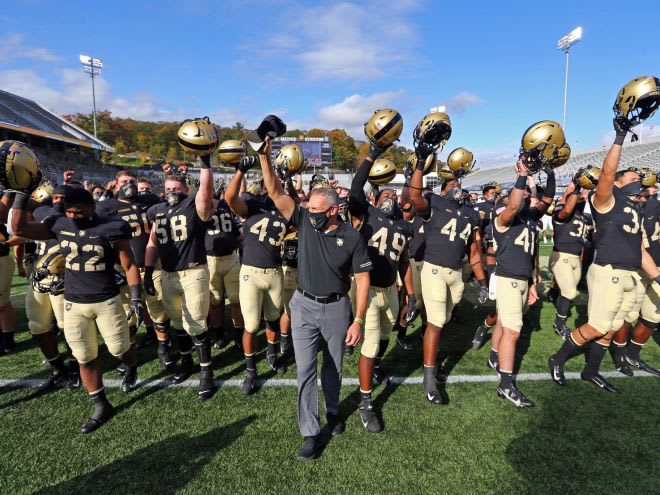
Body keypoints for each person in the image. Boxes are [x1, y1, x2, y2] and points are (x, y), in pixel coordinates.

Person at [258, 136, 371, 461]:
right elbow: (276, 192)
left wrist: (358, 319)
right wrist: (265, 157)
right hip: (303, 306)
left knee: (334, 368)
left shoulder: (351, 237)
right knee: (305, 369)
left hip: (337, 307)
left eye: (318, 210)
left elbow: (362, 280)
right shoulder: (305, 220)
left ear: (334, 210)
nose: (311, 213)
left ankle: (334, 411)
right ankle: (310, 431)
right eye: (309, 208)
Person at [12, 188, 143, 433]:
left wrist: (136, 298)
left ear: (93, 207)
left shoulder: (112, 227)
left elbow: (129, 264)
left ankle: (131, 365)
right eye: (70, 211)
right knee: (84, 356)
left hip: (107, 299)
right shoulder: (59, 223)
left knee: (120, 349)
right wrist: (20, 195)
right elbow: (20, 229)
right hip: (73, 302)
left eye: (79, 211)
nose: (73, 215)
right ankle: (100, 404)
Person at [549, 120, 660, 393]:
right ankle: (558, 358)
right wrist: (620, 137)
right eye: (631, 179)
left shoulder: (637, 210)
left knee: (614, 325)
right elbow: (608, 174)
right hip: (608, 271)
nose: (638, 182)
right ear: (618, 182)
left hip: (633, 273)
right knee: (598, 325)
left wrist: (657, 277)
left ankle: (591, 370)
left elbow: (641, 250)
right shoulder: (608, 200)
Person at [408, 155, 487, 405]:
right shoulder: (435, 203)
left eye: (459, 182)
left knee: (445, 320)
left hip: (455, 274)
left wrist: (483, 281)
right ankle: (429, 377)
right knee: (436, 321)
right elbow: (414, 198)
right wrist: (420, 165)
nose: (456, 187)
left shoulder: (472, 214)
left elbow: (474, 252)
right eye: (451, 182)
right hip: (433, 268)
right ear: (444, 184)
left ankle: (431, 360)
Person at [349, 148, 415, 432]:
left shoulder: (403, 227)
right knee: (372, 342)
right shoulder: (366, 216)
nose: (389, 197)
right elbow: (355, 187)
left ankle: (375, 366)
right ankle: (365, 402)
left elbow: (404, 263)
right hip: (367, 289)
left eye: (392, 195)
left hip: (390, 290)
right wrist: (372, 155)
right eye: (384, 194)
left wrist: (410, 295)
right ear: (374, 199)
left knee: (386, 336)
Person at [144, 154, 216, 400]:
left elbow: (206, 192)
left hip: (193, 271)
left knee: (195, 323)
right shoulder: (157, 210)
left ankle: (206, 372)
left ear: (186, 189)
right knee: (176, 323)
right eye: (168, 188)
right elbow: (153, 241)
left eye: (176, 188)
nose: (172, 191)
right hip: (166, 273)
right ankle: (186, 363)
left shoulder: (193, 205)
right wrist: (147, 270)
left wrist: (205, 163)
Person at [225, 155, 288, 395]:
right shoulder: (252, 204)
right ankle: (250, 371)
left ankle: (272, 354)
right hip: (251, 272)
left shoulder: (287, 208)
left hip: (275, 272)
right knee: (251, 325)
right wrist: (240, 172)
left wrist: (290, 182)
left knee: (273, 318)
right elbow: (230, 199)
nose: (275, 187)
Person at [550, 178, 589, 338]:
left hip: (575, 257)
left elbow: (586, 195)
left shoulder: (581, 215)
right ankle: (559, 324)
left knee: (567, 292)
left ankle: (560, 316)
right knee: (570, 291)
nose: (581, 197)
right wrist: (575, 186)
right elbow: (566, 206)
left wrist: (587, 186)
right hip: (562, 255)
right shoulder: (562, 211)